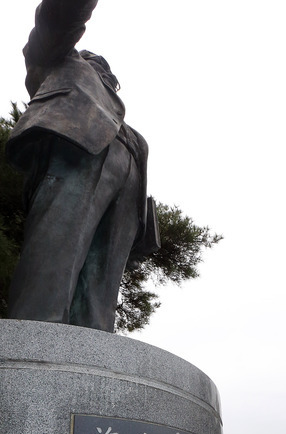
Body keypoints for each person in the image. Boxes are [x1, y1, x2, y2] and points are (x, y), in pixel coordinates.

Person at [6, 0, 155, 332]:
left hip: (126, 171)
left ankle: (91, 349)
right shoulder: (54, 57)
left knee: (99, 298)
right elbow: (58, 17)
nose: (106, 72)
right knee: (51, 264)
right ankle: (33, 343)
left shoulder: (121, 119)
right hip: (76, 152)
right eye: (98, 64)